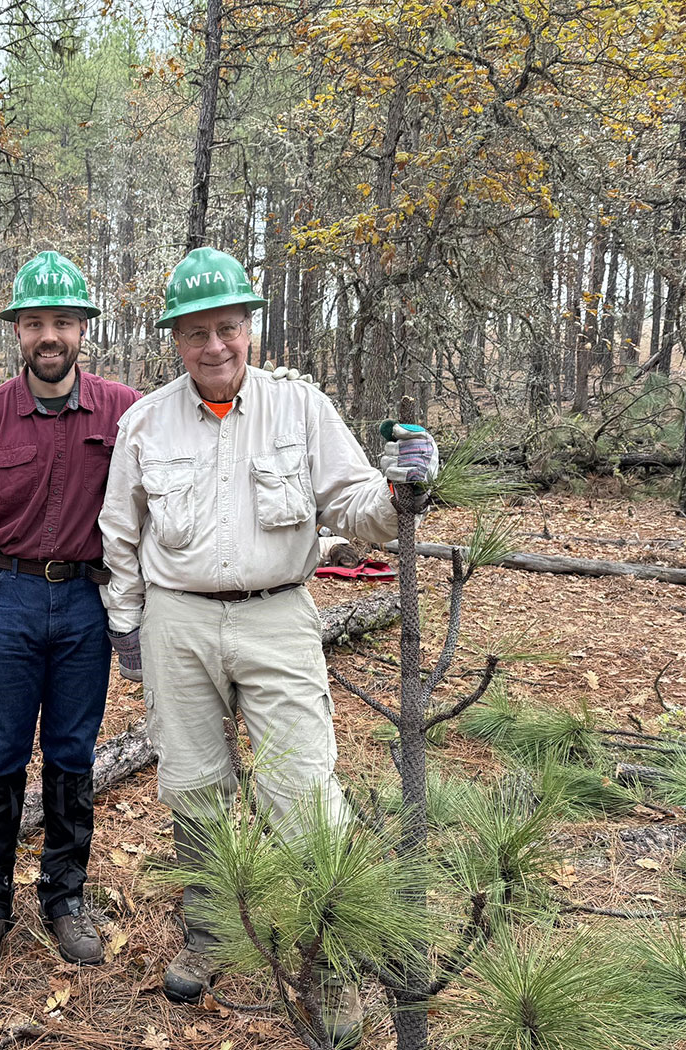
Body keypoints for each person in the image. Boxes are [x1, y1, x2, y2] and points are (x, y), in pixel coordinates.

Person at [97, 247, 436, 1037]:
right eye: (195, 334)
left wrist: (402, 490)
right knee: (192, 784)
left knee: (304, 790)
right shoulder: (145, 422)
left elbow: (356, 504)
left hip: (279, 614)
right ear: (174, 340)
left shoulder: (301, 410)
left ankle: (331, 965)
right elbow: (121, 532)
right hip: (177, 618)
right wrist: (126, 624)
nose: (213, 347)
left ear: (249, 327)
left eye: (226, 328)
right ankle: (213, 932)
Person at [0, 250, 141, 974]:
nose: (48, 336)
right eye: (34, 323)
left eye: (62, 322)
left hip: (85, 601)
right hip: (8, 599)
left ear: (83, 329)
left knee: (74, 755)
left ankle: (65, 898)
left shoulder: (123, 411)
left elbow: (174, 464)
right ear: (17, 331)